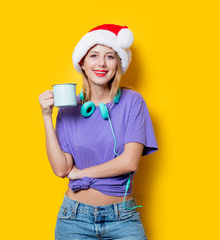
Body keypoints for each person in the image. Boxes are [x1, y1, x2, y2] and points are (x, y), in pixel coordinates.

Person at [39, 24, 158, 240]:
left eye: (110, 56)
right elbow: (61, 169)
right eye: (94, 55)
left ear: (118, 64)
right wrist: (47, 115)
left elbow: (129, 162)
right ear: (82, 63)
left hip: (122, 219)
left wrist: (81, 173)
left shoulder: (133, 102)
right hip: (74, 218)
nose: (101, 63)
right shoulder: (68, 109)